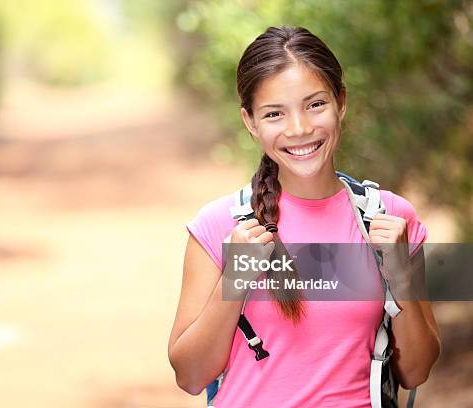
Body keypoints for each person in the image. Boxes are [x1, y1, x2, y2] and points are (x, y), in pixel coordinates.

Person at [167, 26, 440, 407]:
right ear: (250, 121)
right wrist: (234, 280)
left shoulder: (390, 217)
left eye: (315, 105)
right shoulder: (220, 225)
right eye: (275, 113)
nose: (299, 129)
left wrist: (400, 277)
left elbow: (417, 371)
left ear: (341, 102)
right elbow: (191, 376)